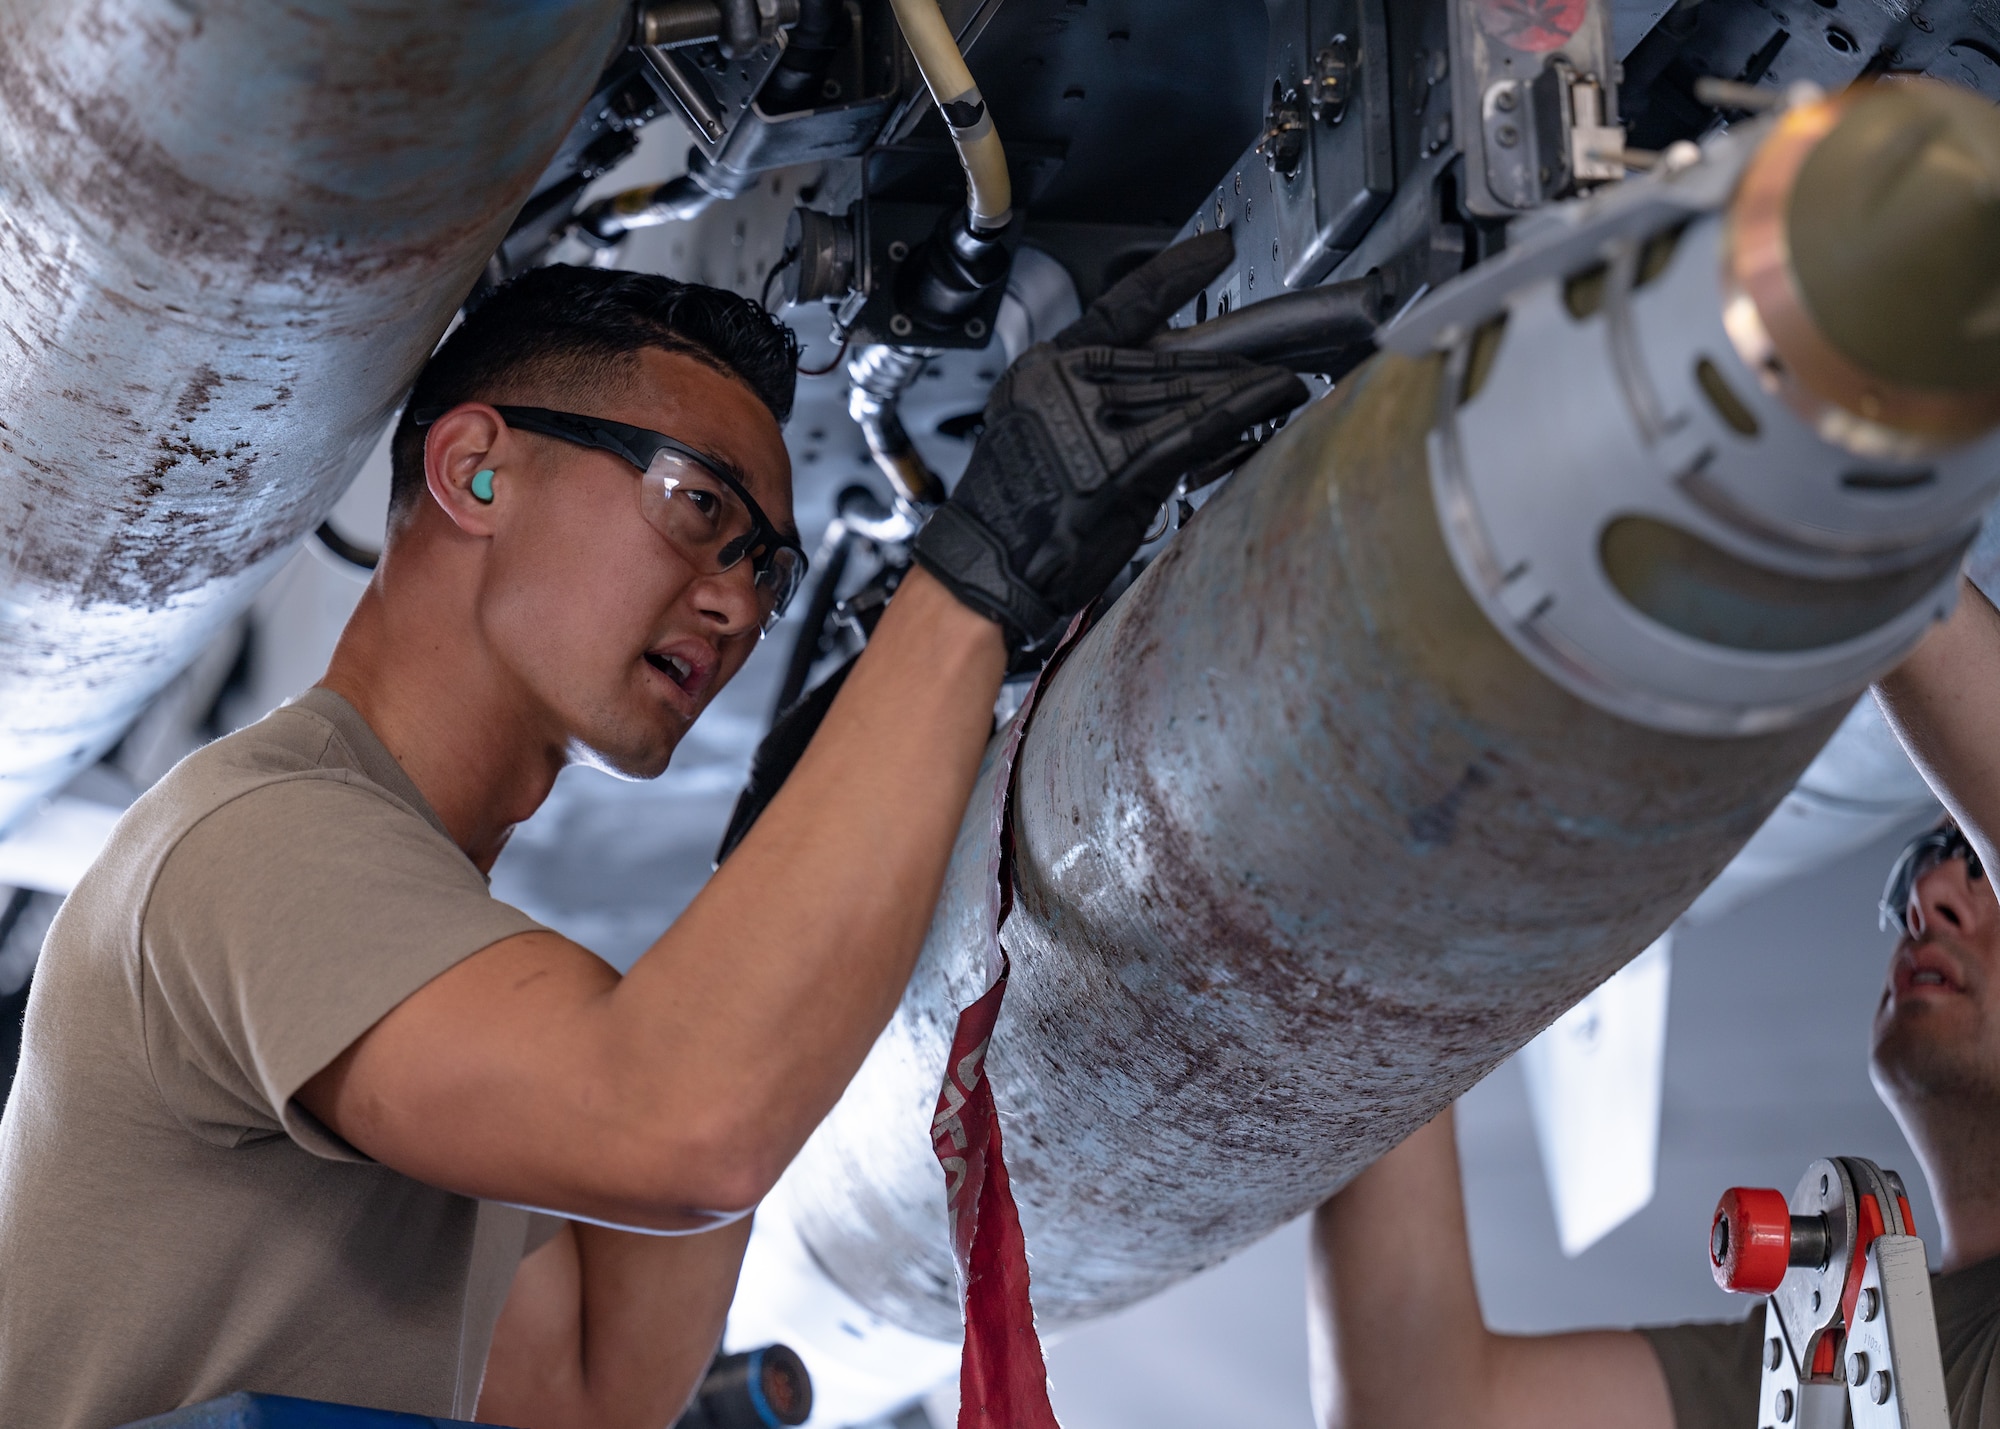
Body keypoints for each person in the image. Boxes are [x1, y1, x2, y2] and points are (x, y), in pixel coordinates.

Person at [0, 239, 1305, 1429]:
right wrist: (970, 586)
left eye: (765, 565)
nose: (737, 602)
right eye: (696, 506)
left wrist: (786, 860)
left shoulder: (420, 961)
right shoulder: (263, 841)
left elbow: (587, 1391)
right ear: (476, 469)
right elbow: (680, 1129)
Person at [1308, 573, 2000, 1429]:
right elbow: (1424, 1405)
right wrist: (1403, 923)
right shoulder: (1857, 1357)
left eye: (1972, 860)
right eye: (1922, 877)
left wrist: (1853, 524)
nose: (1928, 895)